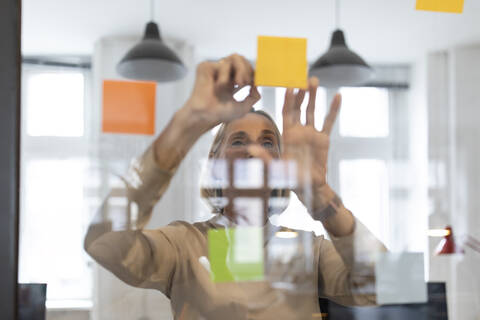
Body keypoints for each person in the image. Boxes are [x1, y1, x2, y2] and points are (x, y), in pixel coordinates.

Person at [84, 54, 386, 319]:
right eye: (238, 141)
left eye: (268, 143)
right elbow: (103, 244)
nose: (252, 151)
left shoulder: (307, 250)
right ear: (215, 162)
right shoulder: (184, 246)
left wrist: (322, 194)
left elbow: (391, 285)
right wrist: (184, 126)